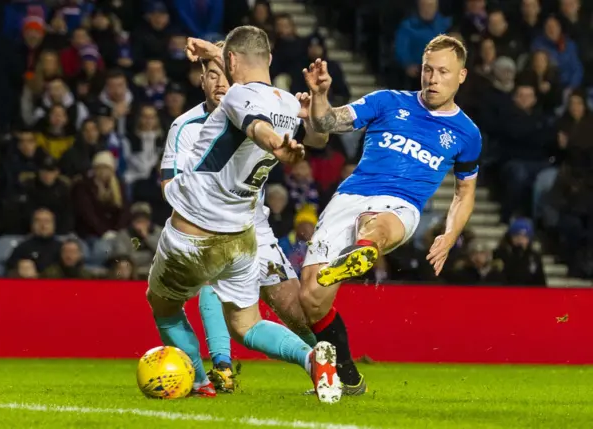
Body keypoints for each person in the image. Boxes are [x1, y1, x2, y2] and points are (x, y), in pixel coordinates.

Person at [148, 26, 340, 403]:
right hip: (242, 235)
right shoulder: (286, 101)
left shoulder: (235, 96)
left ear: (231, 62)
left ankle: (201, 383)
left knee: (164, 307)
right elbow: (318, 137)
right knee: (246, 324)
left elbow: (254, 124)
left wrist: (276, 146)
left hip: (195, 233)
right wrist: (316, 103)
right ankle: (311, 358)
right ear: (268, 59)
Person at [300, 35, 481, 395]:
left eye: (443, 72)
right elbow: (328, 124)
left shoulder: (467, 134)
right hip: (350, 196)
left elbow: (465, 194)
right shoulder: (386, 101)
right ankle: (349, 379)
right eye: (428, 69)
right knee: (311, 297)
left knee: (377, 226)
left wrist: (449, 235)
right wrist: (320, 97)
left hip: (402, 205)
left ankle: (365, 250)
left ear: (461, 76)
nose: (432, 78)